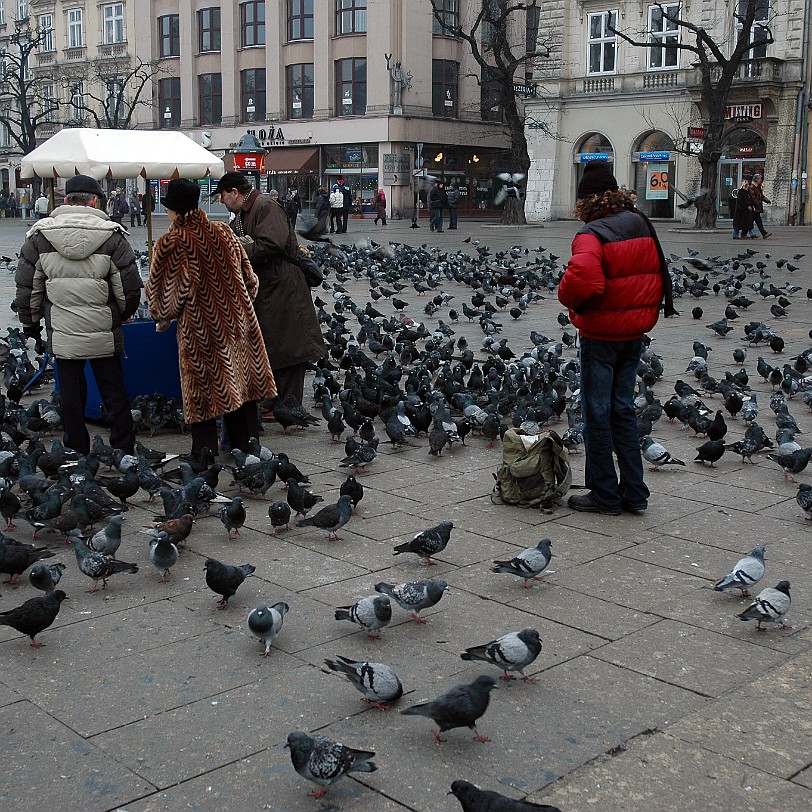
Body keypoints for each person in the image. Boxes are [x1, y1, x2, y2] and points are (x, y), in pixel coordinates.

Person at [558, 160, 675, 515]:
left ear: (586, 201)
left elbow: (583, 281)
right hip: (634, 333)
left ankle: (605, 494)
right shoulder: (640, 221)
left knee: (597, 412)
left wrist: (568, 300)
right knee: (624, 410)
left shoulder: (592, 233)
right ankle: (635, 493)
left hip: (602, 335)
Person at [145, 179, 276, 456]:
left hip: (204, 334)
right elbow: (251, 281)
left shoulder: (173, 242)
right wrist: (235, 307)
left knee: (205, 396)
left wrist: (163, 316)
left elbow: (162, 302)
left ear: (174, 211)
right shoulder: (224, 232)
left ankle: (204, 459)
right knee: (239, 390)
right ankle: (248, 451)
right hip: (240, 328)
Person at [15, 174, 141, 455]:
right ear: (94, 200)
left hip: (63, 332)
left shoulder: (40, 236)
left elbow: (28, 289)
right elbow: (129, 288)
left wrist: (30, 323)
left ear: (66, 200)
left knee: (71, 396)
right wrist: (121, 314)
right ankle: (123, 447)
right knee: (113, 391)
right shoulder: (112, 235)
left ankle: (76, 450)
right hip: (103, 330)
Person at [211, 171, 324, 409]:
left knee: (290, 347)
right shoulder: (244, 213)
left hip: (284, 285)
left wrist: (240, 252)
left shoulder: (265, 206)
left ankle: (289, 406)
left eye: (222, 197)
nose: (222, 203)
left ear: (234, 192)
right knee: (276, 344)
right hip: (271, 286)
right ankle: (277, 403)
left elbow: (273, 243)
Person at [749, 174, 772, 238]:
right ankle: (763, 233)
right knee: (756, 221)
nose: (761, 180)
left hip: (756, 207)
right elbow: (753, 198)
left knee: (753, 221)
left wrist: (767, 200)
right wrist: (757, 204)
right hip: (754, 207)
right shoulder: (752, 187)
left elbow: (761, 196)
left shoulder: (758, 187)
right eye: (760, 179)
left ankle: (763, 233)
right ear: (756, 180)